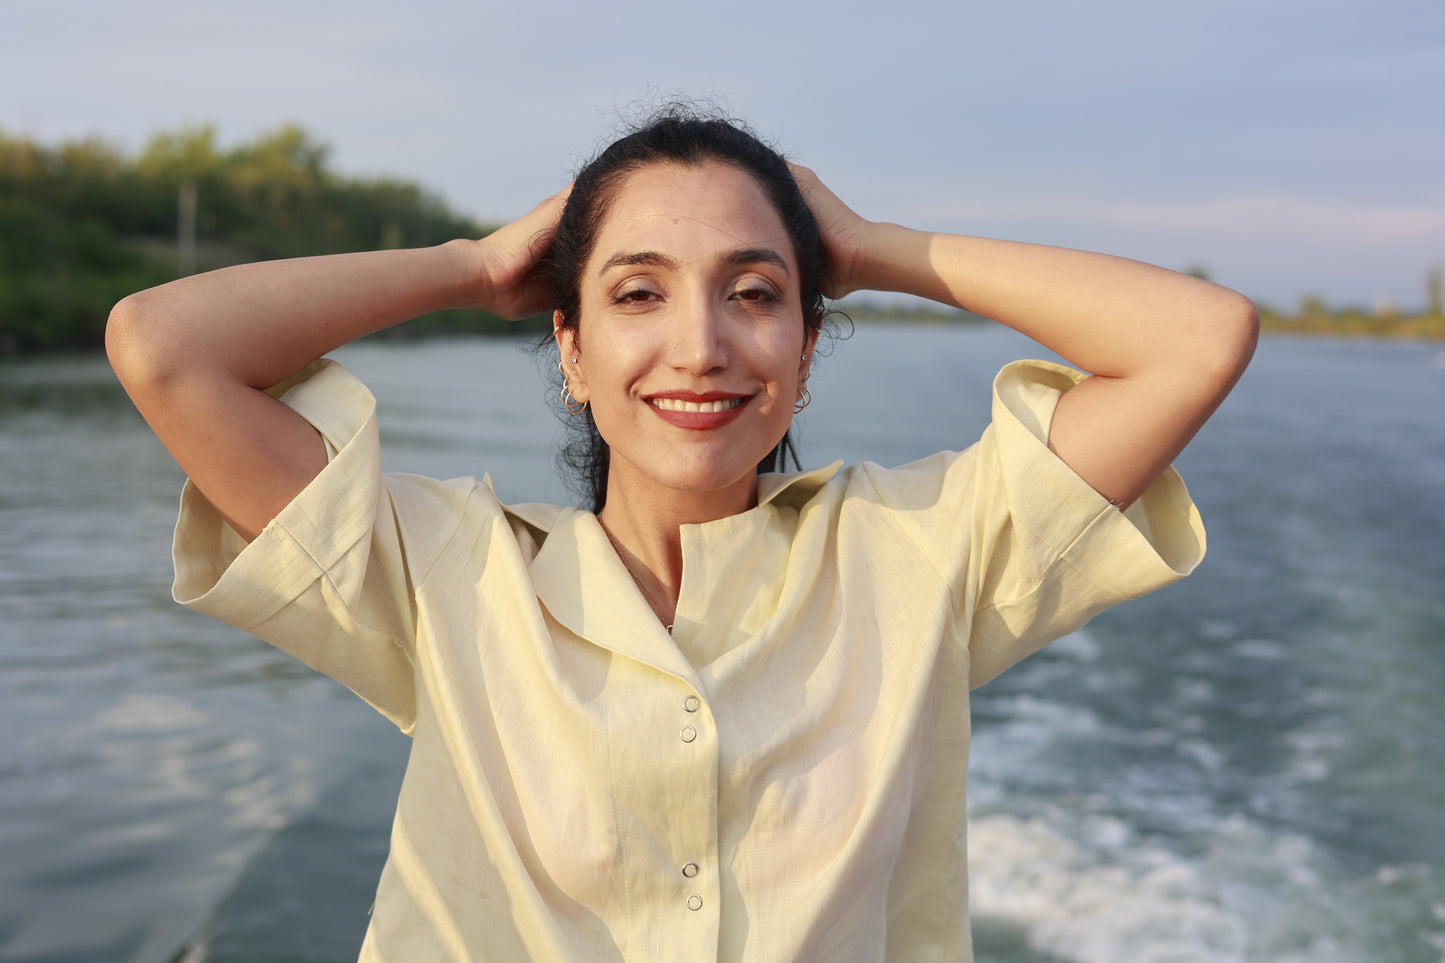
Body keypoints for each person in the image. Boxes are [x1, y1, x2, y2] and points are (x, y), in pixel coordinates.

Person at [107, 109, 1257, 961]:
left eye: (754, 294)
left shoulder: (922, 555)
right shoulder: (443, 573)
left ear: (806, 350)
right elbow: (166, 349)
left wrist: (870, 246)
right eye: (637, 294)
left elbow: (1196, 337)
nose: (701, 345)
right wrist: (469, 266)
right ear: (568, 347)